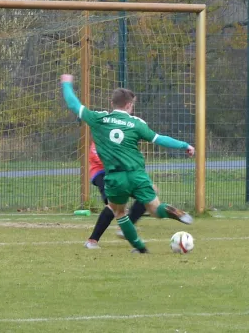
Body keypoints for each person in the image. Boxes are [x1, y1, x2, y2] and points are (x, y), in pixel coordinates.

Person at [61, 74, 194, 253]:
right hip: (137, 174)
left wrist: (67, 84)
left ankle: (140, 248)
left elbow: (73, 104)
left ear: (112, 103)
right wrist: (184, 145)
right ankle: (170, 211)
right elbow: (160, 139)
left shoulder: (98, 119)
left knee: (119, 212)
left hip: (115, 177)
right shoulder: (136, 123)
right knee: (155, 209)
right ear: (129, 105)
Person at [84, 140, 147, 249]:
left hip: (122, 173)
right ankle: (92, 240)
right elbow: (97, 157)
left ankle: (125, 229)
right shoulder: (101, 132)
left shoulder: (123, 133)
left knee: (147, 194)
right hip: (102, 172)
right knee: (113, 204)